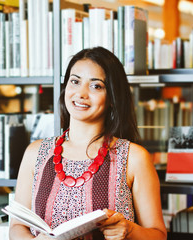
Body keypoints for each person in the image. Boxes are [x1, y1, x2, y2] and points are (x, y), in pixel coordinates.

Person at [9, 47, 167, 240]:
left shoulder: (134, 157)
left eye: (96, 86)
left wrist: (130, 231)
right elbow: (17, 226)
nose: (81, 93)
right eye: (75, 81)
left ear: (112, 98)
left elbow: (159, 235)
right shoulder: (36, 152)